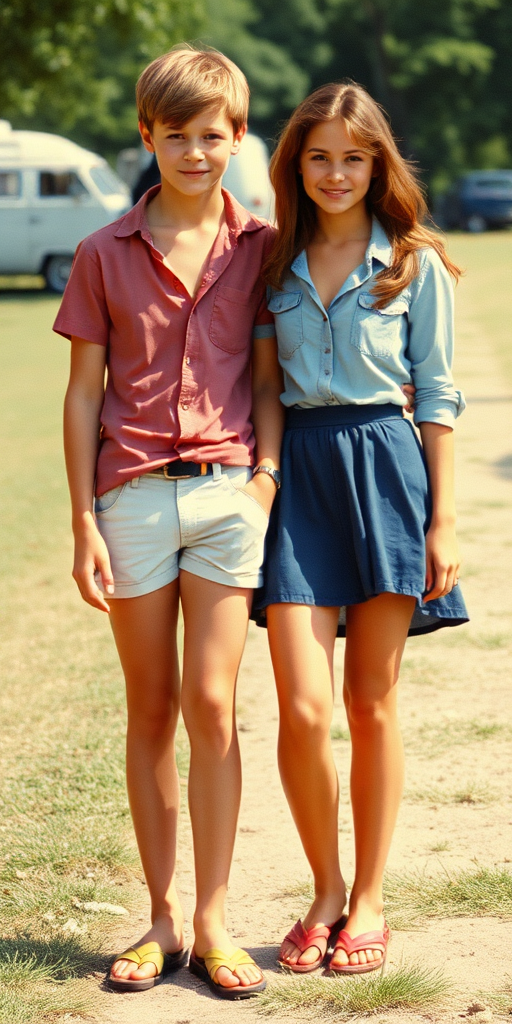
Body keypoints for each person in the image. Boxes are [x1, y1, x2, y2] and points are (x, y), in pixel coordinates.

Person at [54, 47, 284, 998]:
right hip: (133, 500)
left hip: (229, 495)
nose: (197, 152)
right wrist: (81, 520)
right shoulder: (104, 251)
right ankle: (158, 919)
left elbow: (269, 380)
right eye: (177, 135)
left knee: (214, 707)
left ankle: (215, 920)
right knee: (150, 710)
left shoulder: (263, 245)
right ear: (148, 137)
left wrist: (264, 481)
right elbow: (80, 396)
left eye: (214, 135)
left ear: (237, 138)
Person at [253, 81, 469, 975]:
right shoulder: (271, 263)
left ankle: (370, 898)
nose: (336, 173)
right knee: (303, 710)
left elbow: (440, 396)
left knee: (369, 704)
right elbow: (264, 386)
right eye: (319, 156)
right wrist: (264, 480)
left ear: (378, 163)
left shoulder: (413, 262)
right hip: (298, 475)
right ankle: (326, 888)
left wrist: (442, 521)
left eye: (354, 156)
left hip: (386, 474)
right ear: (295, 165)